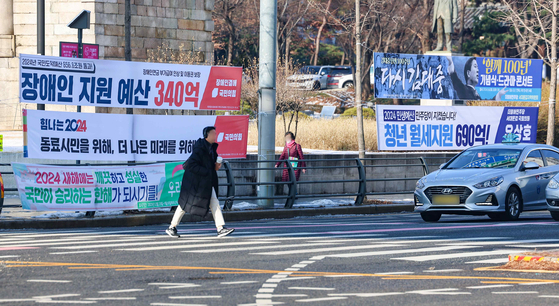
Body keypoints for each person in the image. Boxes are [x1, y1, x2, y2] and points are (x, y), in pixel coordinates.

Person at [166, 126, 235, 238]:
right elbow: (192, 166)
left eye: (215, 134)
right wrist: (207, 171)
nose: (215, 136)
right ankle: (172, 227)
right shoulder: (200, 148)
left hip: (205, 182)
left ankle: (220, 228)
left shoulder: (212, 148)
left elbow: (213, 168)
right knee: (184, 205)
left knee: (214, 202)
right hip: (194, 183)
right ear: (206, 136)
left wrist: (216, 166)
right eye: (213, 134)